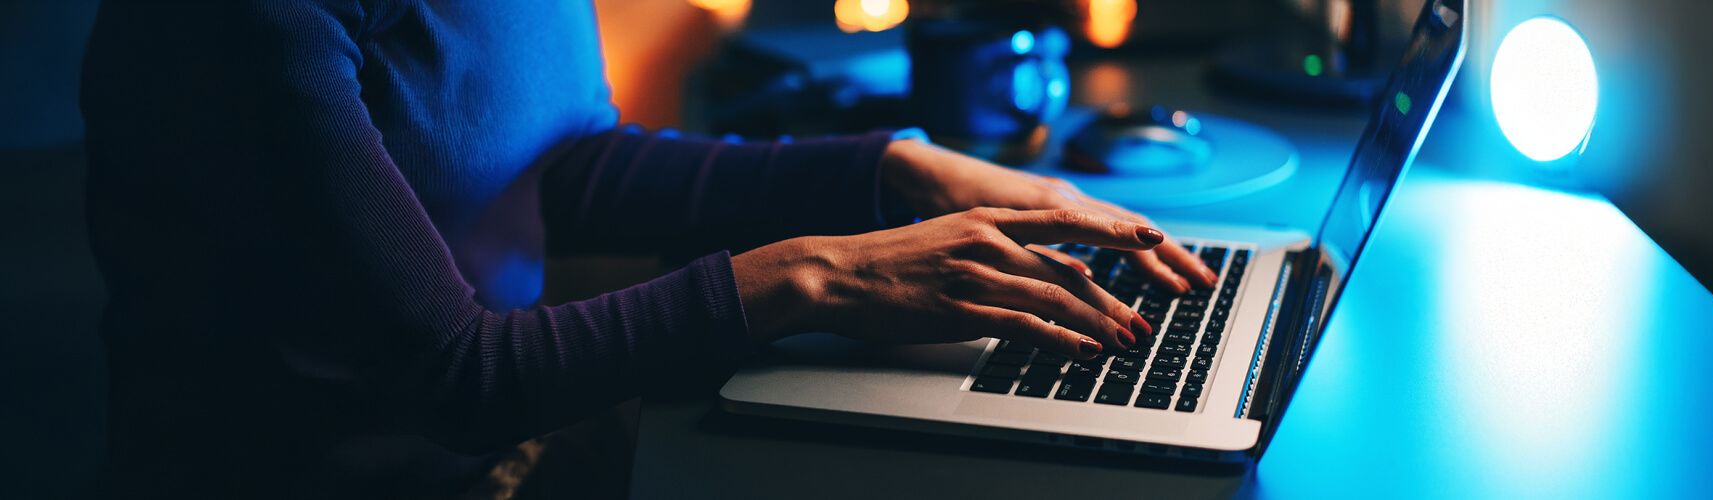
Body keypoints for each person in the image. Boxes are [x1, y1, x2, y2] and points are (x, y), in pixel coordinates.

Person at [81, 0, 1214, 497]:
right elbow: (455, 376)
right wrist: (815, 273)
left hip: (503, 443)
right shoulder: (222, 18)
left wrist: (882, 171)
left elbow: (560, 162)